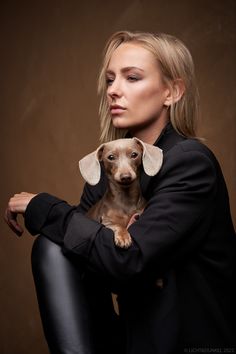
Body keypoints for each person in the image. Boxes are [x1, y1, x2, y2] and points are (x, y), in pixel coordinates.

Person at [5, 31, 236, 354]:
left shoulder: (190, 163)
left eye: (132, 78)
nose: (113, 90)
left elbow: (128, 258)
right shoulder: (109, 168)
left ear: (172, 91)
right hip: (134, 339)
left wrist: (42, 207)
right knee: (53, 247)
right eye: (111, 79)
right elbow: (86, 248)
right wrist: (51, 218)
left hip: (188, 345)